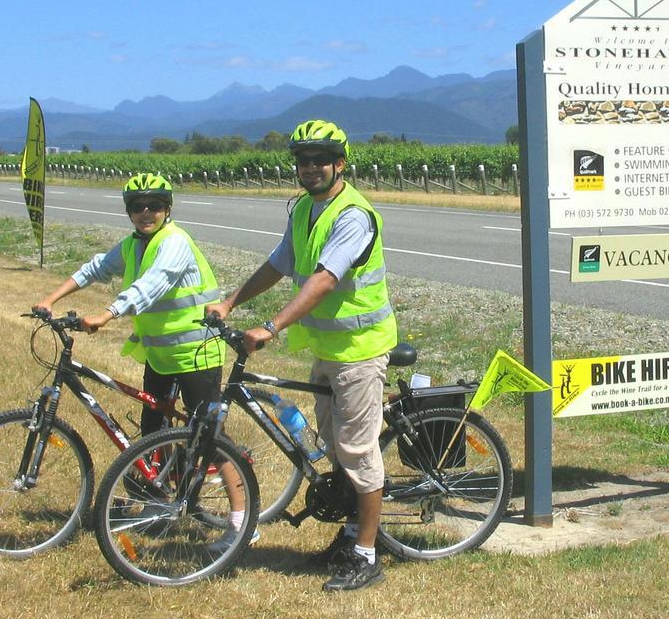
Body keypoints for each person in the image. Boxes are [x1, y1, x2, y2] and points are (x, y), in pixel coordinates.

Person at [207, 120, 397, 592]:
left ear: (340, 163)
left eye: (319, 159)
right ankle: (352, 534)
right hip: (330, 350)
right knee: (334, 447)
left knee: (357, 451)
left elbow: (325, 279)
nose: (309, 167)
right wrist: (230, 303)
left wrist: (271, 326)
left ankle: (368, 556)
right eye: (302, 159)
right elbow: (278, 264)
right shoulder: (304, 211)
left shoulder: (353, 214)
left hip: (361, 350)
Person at [33, 173, 250, 543]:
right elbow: (96, 267)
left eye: (154, 205)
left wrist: (107, 313)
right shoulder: (135, 244)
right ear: (129, 212)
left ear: (168, 209)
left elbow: (152, 285)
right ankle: (157, 502)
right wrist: (51, 299)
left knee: (211, 437)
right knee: (154, 430)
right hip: (162, 355)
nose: (146, 212)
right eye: (137, 207)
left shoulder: (175, 243)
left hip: (196, 352)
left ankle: (243, 523)